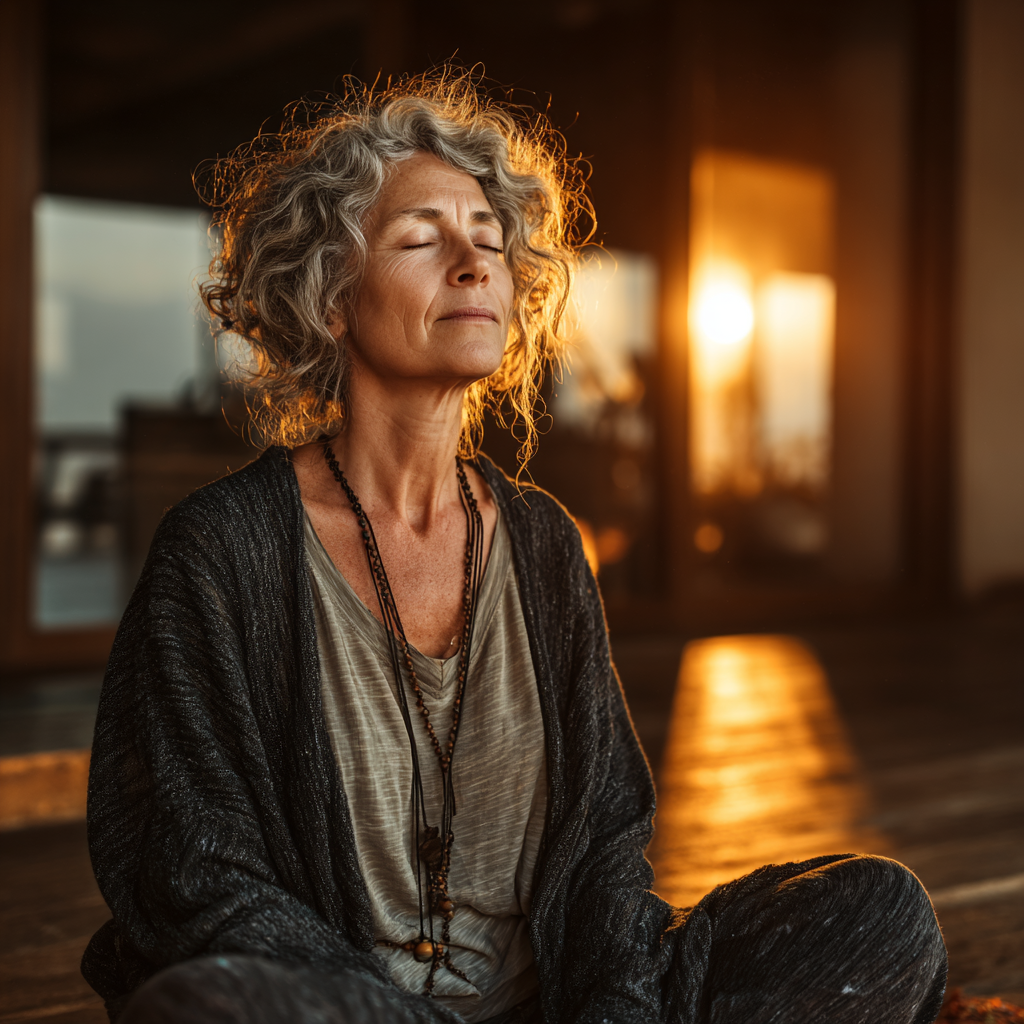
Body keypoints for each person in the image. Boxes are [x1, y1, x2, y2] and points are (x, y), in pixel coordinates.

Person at [82, 72, 947, 1024]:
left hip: (553, 1005)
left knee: (877, 912)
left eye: (489, 242)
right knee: (206, 1001)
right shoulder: (219, 552)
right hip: (344, 1006)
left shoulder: (539, 541)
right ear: (329, 296)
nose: (473, 263)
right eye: (422, 240)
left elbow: (607, 843)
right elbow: (193, 870)